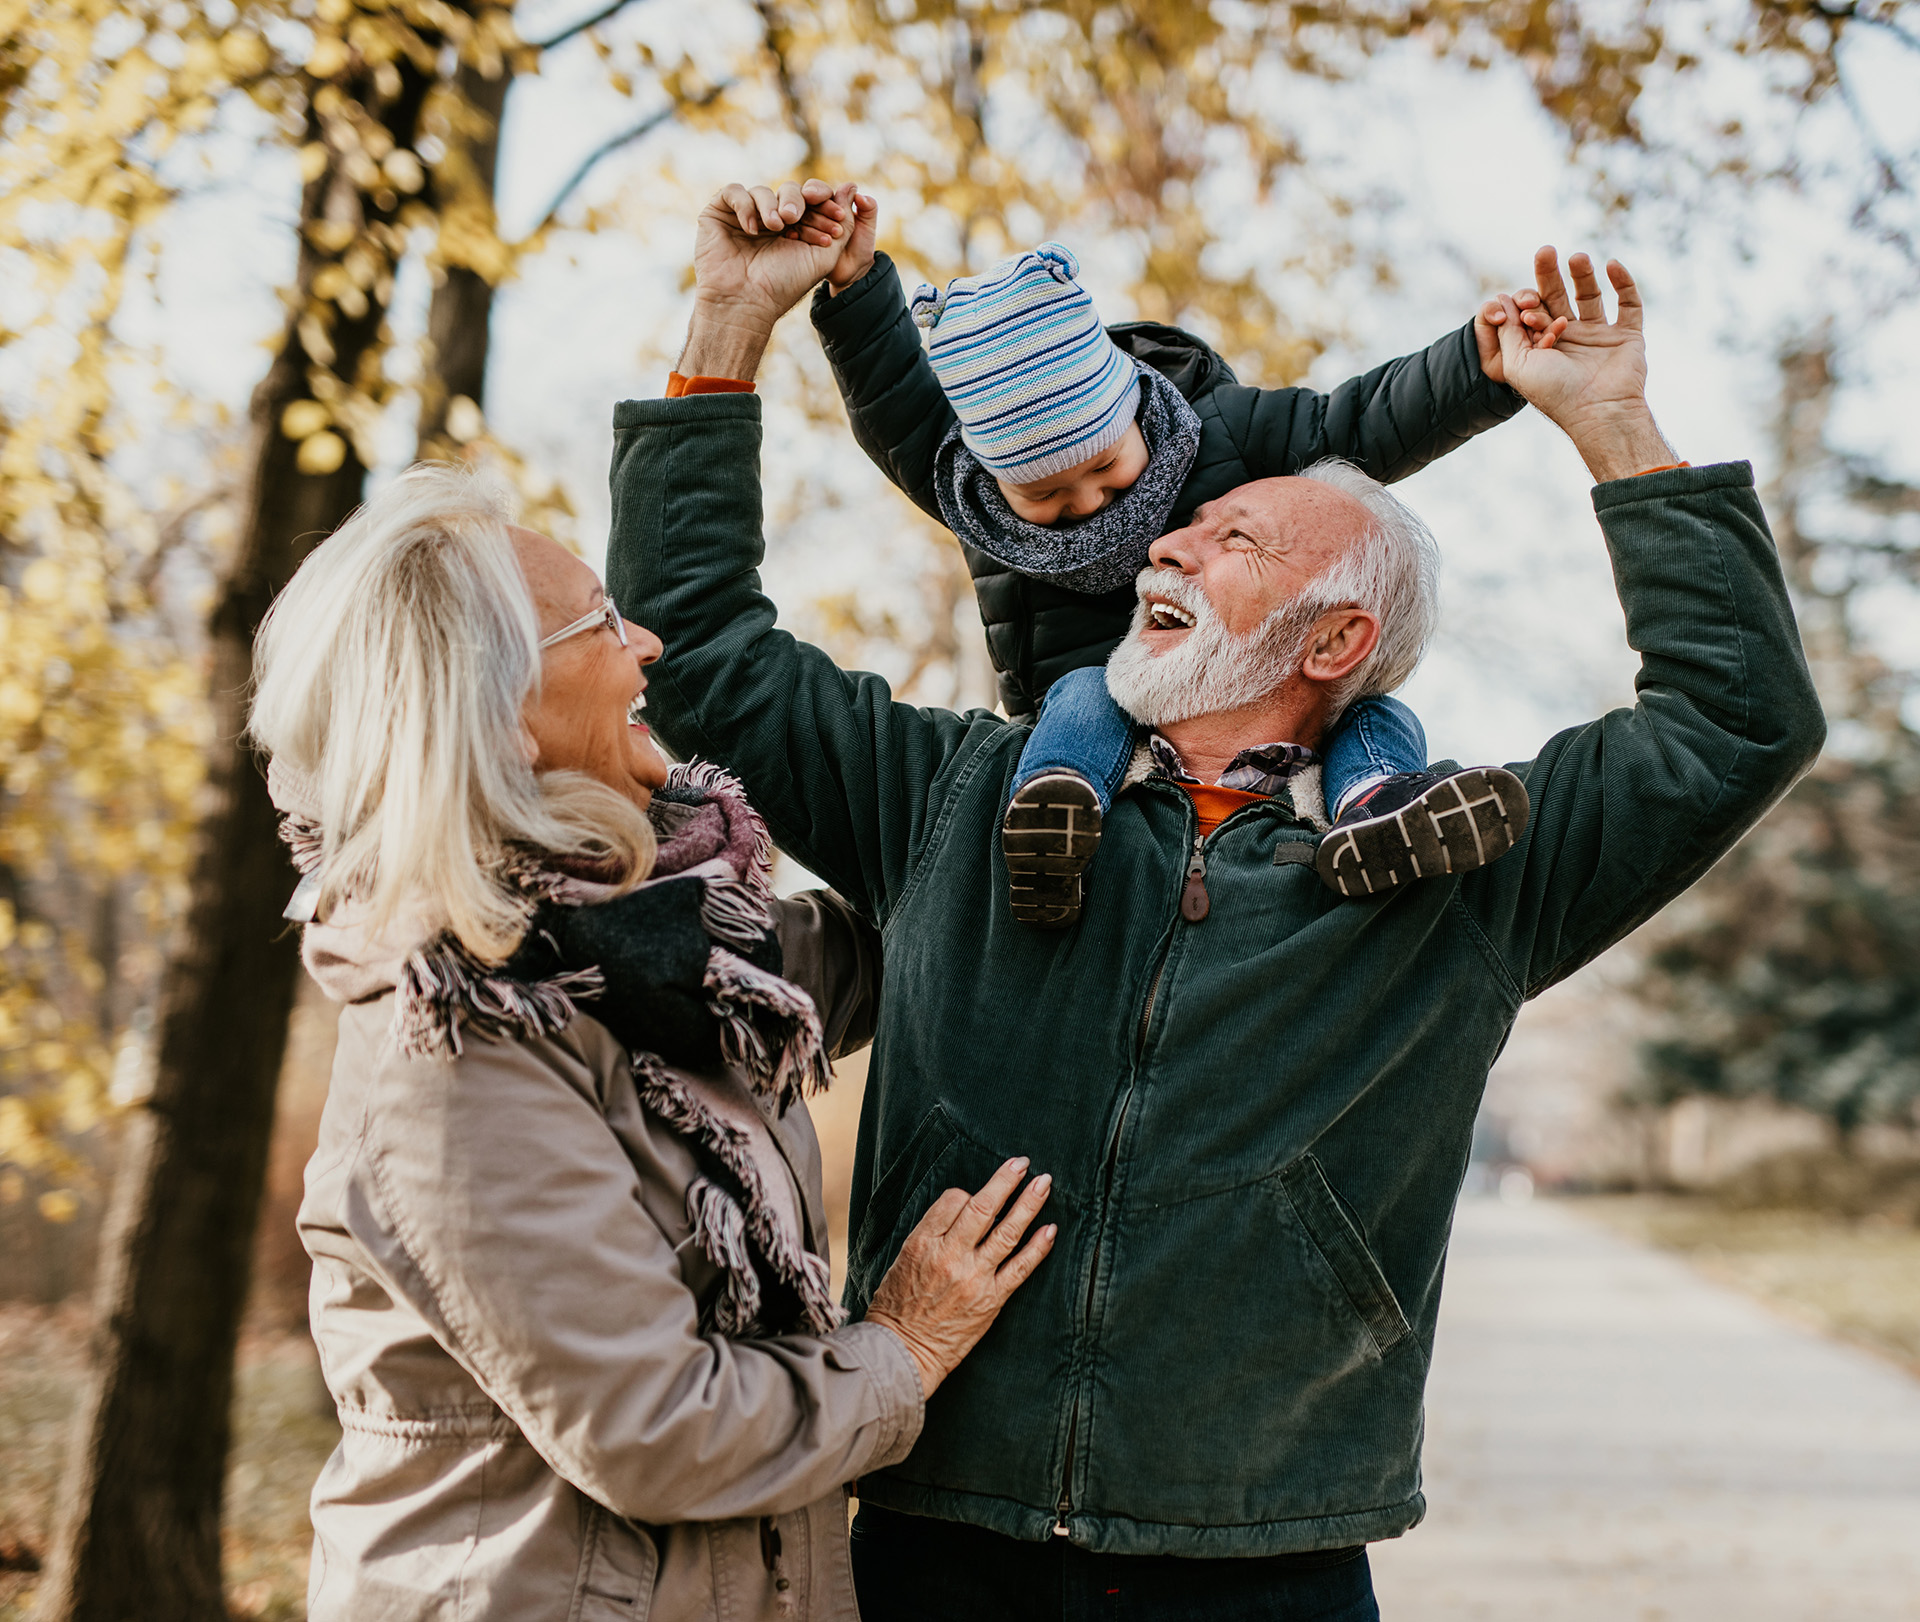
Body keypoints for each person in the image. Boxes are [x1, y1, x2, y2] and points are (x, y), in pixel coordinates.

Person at [608, 178, 1825, 1622]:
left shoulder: (1459, 869)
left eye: (1234, 538)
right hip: (938, 1539)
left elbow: (1738, 719)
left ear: (1340, 636)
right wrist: (735, 316)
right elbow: (704, 650)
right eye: (1180, 533)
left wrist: (1612, 423)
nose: (1164, 542)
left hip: (1272, 1566)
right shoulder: (955, 798)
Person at [249, 463, 1057, 1621]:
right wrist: (904, 1344)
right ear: (504, 714)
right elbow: (659, 1428)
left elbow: (880, 945)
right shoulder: (459, 1036)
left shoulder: (644, 952)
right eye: (602, 621)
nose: (649, 645)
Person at [798, 195, 1551, 921]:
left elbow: (1360, 420)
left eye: (1105, 467)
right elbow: (895, 406)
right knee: (1084, 694)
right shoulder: (979, 506)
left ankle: (1379, 808)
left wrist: (1476, 369)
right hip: (1089, 728)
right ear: (991, 479)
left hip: (1246, 712)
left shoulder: (1222, 431)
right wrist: (856, 289)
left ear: (1130, 405)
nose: (1087, 501)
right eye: (1047, 494)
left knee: (1371, 711)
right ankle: (1053, 818)